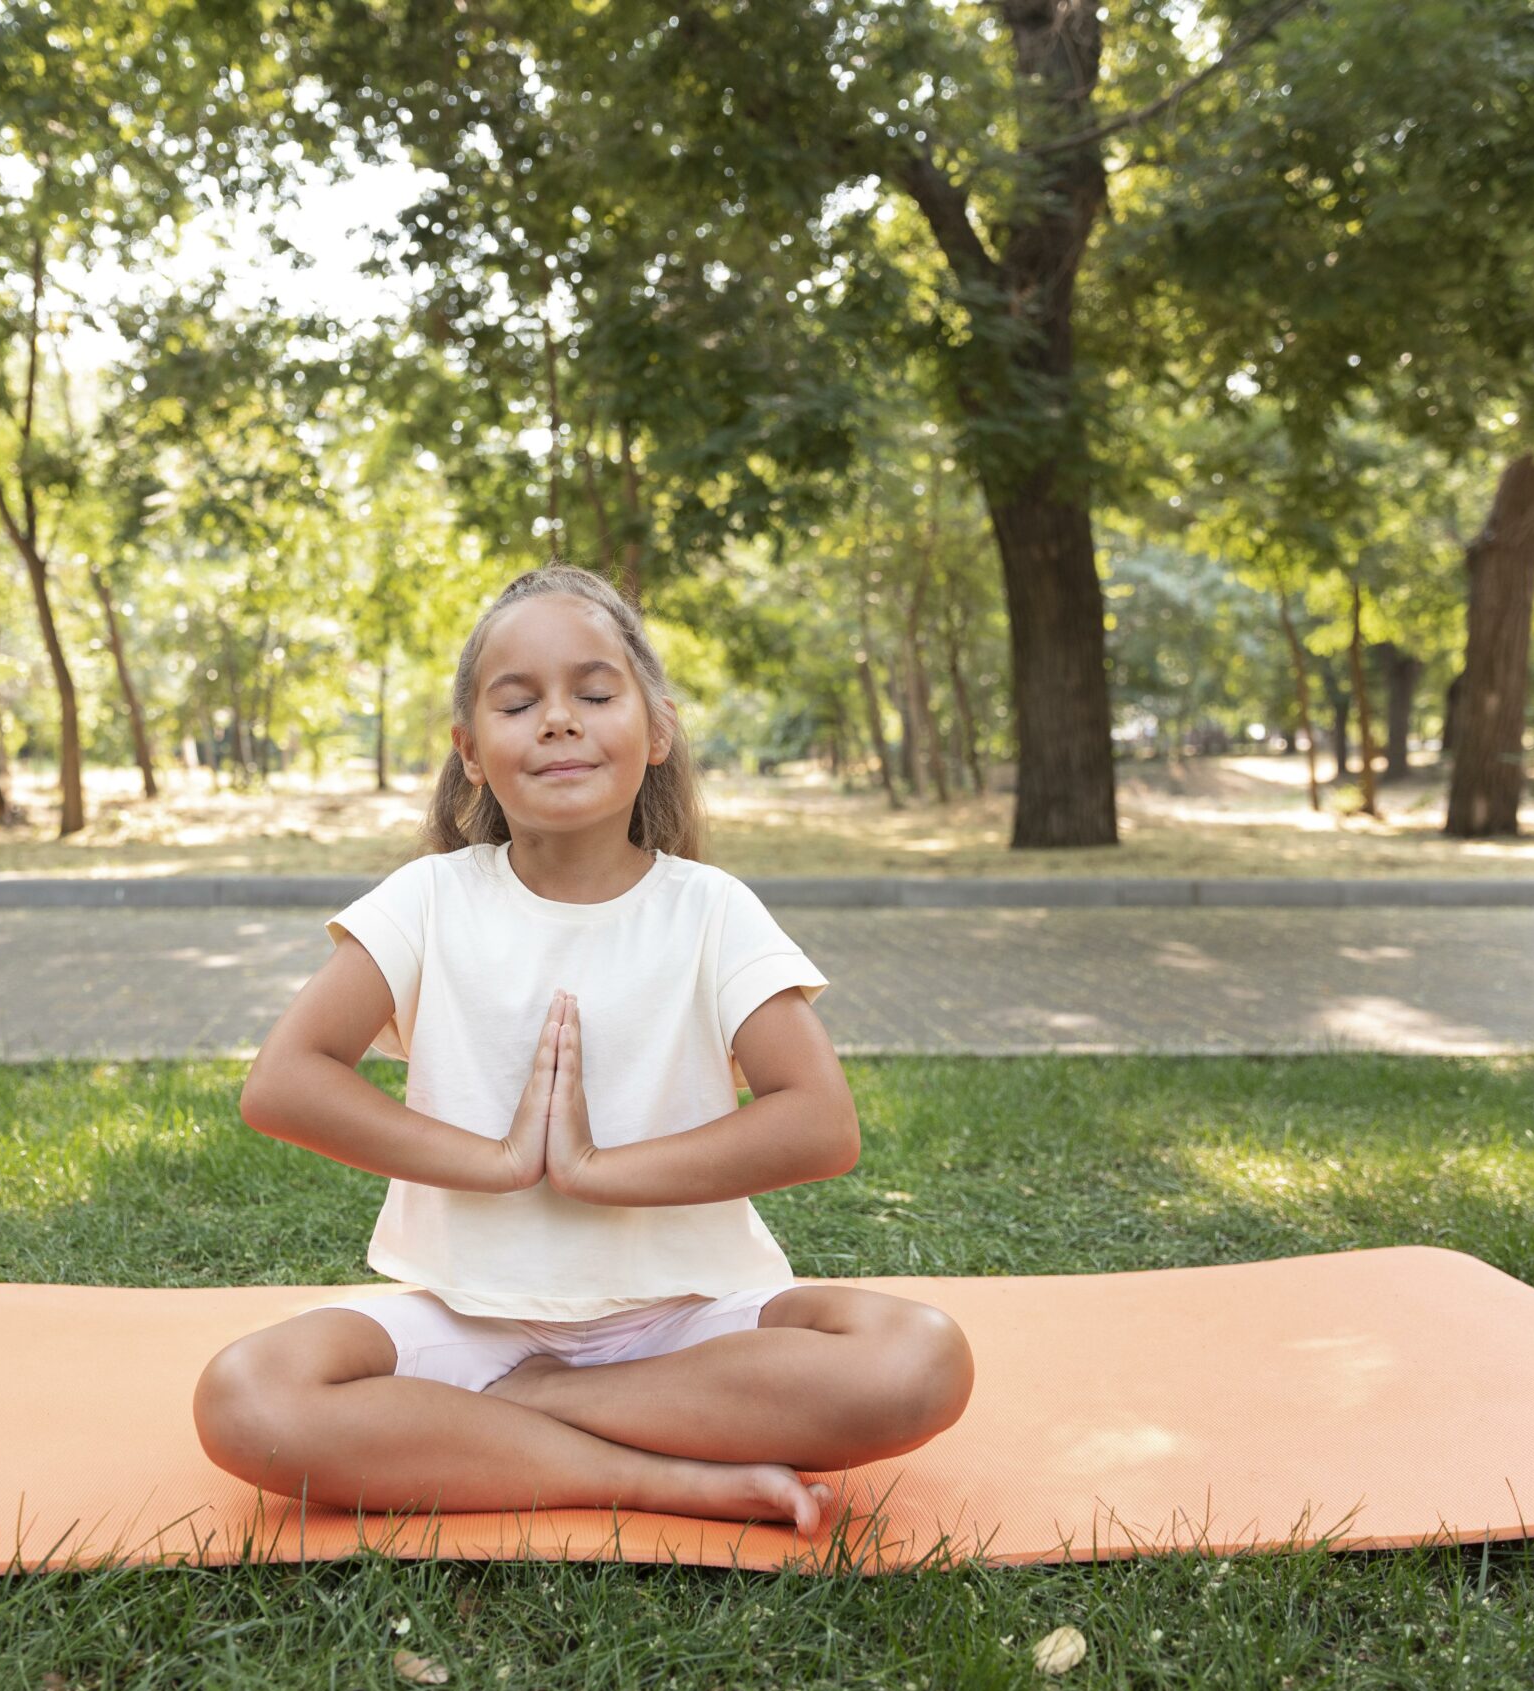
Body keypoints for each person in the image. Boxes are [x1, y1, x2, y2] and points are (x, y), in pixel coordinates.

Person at [194, 565, 974, 1540]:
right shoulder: (429, 900)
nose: (558, 719)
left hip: (695, 1332)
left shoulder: (709, 910)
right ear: (471, 751)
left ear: (655, 730)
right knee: (248, 1398)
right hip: (473, 1326)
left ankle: (517, 1418)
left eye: (594, 694)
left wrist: (599, 1173)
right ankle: (655, 1479)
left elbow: (819, 1123)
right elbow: (285, 1083)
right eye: (517, 703)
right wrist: (498, 1163)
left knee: (917, 1361)